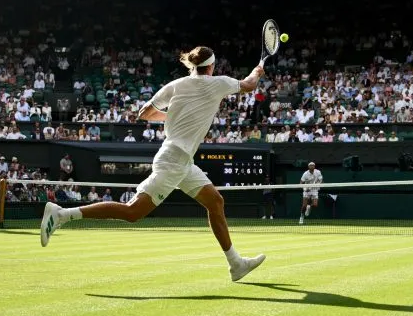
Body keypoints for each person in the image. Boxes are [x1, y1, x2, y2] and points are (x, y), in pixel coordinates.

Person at [39, 46, 267, 282]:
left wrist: (175, 117)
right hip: (173, 161)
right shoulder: (218, 82)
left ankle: (235, 264)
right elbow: (249, 84)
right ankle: (63, 214)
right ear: (211, 66)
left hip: (181, 160)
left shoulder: (175, 85)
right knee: (132, 212)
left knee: (215, 202)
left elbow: (145, 113)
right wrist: (258, 71)